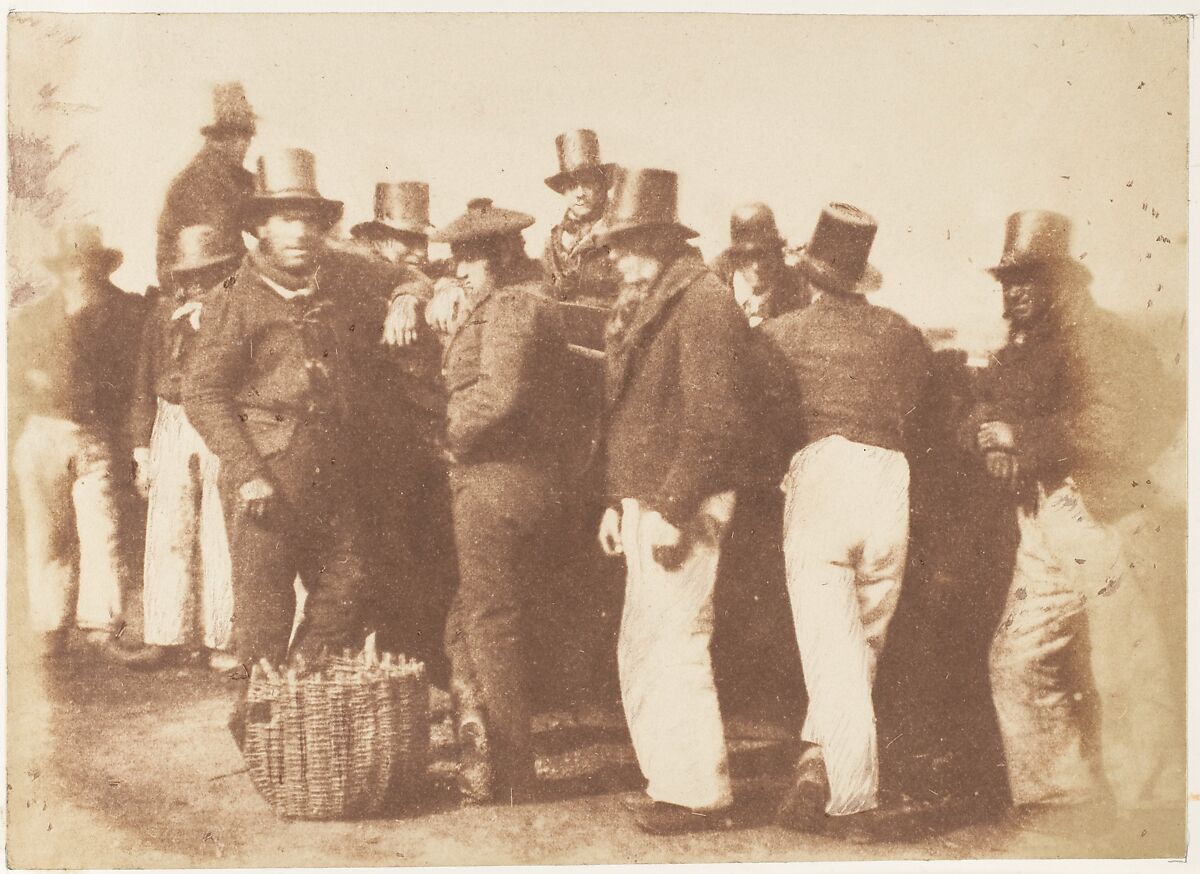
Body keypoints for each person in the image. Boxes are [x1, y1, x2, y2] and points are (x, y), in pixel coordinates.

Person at [966, 210, 1182, 816]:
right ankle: (1059, 797)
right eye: (1008, 280)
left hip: (1104, 514)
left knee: (1126, 666)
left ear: (1064, 280)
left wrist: (1023, 437)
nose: (1015, 291)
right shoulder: (1021, 346)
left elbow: (1117, 425)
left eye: (1029, 277)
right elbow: (982, 407)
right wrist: (990, 438)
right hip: (1043, 519)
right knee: (1017, 657)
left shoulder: (1103, 338)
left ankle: (1157, 807)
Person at [759, 203, 934, 841]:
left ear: (810, 277)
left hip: (824, 473)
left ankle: (856, 798)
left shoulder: (782, 333)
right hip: (890, 477)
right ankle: (819, 761)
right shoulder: (903, 333)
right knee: (863, 639)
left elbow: (763, 411)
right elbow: (918, 399)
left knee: (831, 648)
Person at [595, 167, 751, 834]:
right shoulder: (663, 299)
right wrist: (618, 500)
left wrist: (672, 506)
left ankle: (699, 793)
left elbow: (716, 423)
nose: (616, 258)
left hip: (680, 501)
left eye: (627, 244)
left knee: (676, 641)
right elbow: (633, 415)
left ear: (659, 242)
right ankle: (672, 781)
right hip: (650, 499)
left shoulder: (704, 302)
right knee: (645, 644)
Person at [184, 148, 366, 687]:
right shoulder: (232, 299)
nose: (301, 231)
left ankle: (297, 693)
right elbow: (202, 393)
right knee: (264, 614)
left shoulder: (336, 284)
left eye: (310, 219)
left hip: (332, 467)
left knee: (351, 584)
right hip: (267, 475)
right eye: (287, 218)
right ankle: (262, 729)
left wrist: (411, 293)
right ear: (259, 226)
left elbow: (403, 275)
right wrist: (249, 473)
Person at [432, 197, 571, 804]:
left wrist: (448, 436)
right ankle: (481, 742)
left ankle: (512, 771)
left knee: (489, 622)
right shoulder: (507, 301)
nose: (459, 270)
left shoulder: (514, 306)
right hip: (511, 480)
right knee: (467, 618)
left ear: (499, 259)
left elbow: (499, 394)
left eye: (470, 260)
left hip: (495, 481)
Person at [10, 224, 154, 665]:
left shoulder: (127, 314)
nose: (80, 272)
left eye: (87, 263)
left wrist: (133, 444)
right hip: (42, 434)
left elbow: (135, 382)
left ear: (100, 266)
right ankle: (49, 628)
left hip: (96, 436)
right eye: (71, 264)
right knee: (47, 536)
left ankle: (100, 627)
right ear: (60, 269)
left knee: (102, 531)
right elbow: (13, 383)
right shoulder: (32, 318)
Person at [129, 225, 242, 672]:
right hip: (171, 420)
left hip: (219, 418)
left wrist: (209, 320)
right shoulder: (161, 315)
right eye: (190, 276)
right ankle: (164, 635)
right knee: (167, 529)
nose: (197, 284)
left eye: (210, 274)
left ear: (226, 274)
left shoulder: (235, 312)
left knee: (219, 531)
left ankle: (222, 638)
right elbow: (142, 383)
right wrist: (140, 450)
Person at [156, 82, 256, 290]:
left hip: (217, 276)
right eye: (239, 135)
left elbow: (262, 211)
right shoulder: (200, 180)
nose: (245, 143)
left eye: (247, 135)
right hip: (192, 285)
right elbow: (225, 251)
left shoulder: (232, 176)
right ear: (220, 138)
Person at [541, 128, 619, 303]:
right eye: (571, 185)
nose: (579, 193)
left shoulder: (621, 233)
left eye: (587, 183)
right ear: (563, 190)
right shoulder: (555, 242)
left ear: (602, 185)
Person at [710, 202, 810, 326]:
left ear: (777, 253)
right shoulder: (715, 289)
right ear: (734, 257)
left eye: (763, 255)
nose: (756, 266)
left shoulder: (797, 288)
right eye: (747, 257)